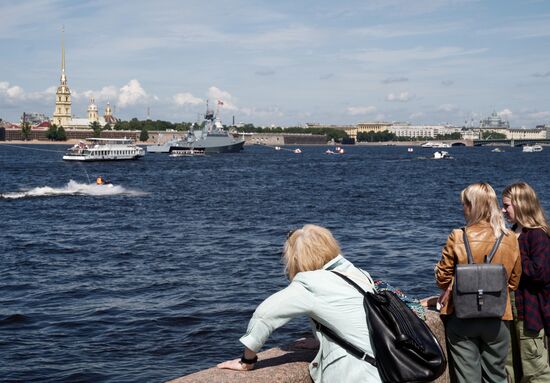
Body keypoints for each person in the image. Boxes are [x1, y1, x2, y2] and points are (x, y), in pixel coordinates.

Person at [217, 224, 381, 382]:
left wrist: (247, 361)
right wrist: (321, 342)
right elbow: (357, 321)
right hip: (388, 363)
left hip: (358, 374)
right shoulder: (357, 273)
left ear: (296, 257)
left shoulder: (310, 282)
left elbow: (264, 316)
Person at [435, 182, 521, 383]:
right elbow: (514, 282)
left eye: (464, 203)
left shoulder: (458, 236)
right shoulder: (509, 238)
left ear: (472, 206)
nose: (462, 208)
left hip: (462, 318)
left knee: (468, 379)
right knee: (497, 377)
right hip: (497, 317)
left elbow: (442, 279)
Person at [502, 182, 550, 383]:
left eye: (507, 206)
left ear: (521, 204)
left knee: (534, 368)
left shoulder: (537, 234)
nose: (503, 210)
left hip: (530, 312)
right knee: (509, 365)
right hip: (510, 309)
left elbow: (540, 273)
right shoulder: (512, 232)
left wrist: (514, 253)